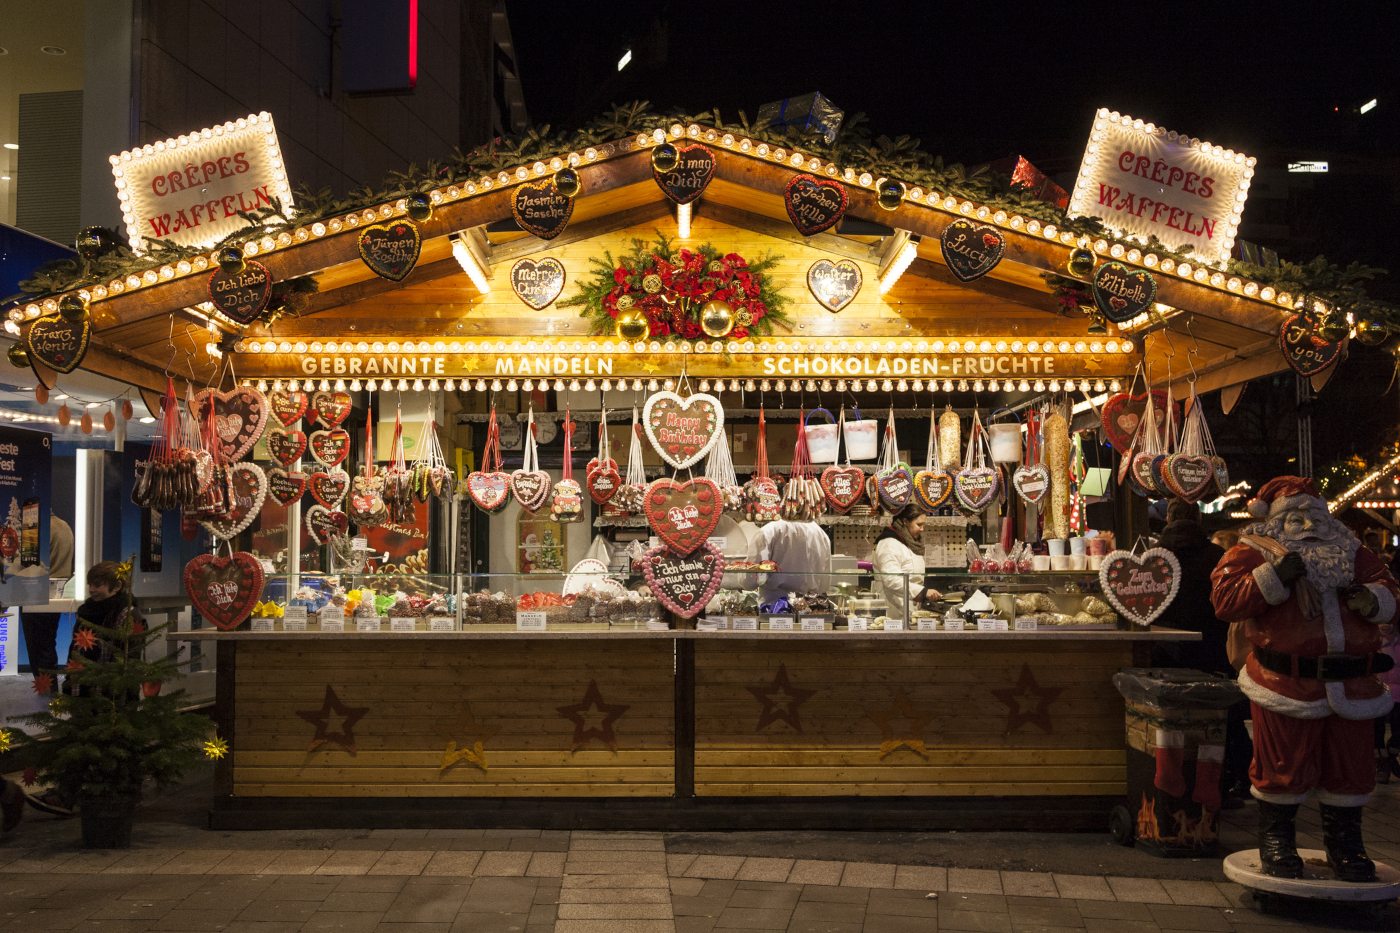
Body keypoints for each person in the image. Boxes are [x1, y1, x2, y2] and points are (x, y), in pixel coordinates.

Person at [1210, 476, 1398, 881]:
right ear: (1276, 521)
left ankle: (1345, 844)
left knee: (1350, 769)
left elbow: (1390, 590)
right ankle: (1277, 840)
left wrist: (1374, 598)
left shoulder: (1353, 551)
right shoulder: (1253, 551)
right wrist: (1274, 575)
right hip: (1286, 682)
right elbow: (1224, 599)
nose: (1309, 524)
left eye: (1315, 514)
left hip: (1353, 683)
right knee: (1283, 766)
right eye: (1296, 517)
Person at [17, 515, 74, 694]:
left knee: (38, 648)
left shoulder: (37, 529)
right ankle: (49, 690)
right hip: (57, 594)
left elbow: (28, 564)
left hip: (34, 593)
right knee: (48, 644)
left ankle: (46, 691)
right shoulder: (64, 525)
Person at [872, 503, 941, 622]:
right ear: (905, 522)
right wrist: (923, 593)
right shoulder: (889, 544)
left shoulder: (910, 543)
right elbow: (891, 580)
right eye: (919, 524)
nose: (922, 529)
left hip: (909, 611)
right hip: (892, 613)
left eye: (923, 525)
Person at [751, 518, 832, 606]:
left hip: (773, 608)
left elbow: (751, 580)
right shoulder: (820, 533)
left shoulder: (768, 531)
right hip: (809, 608)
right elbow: (825, 584)